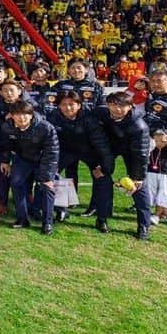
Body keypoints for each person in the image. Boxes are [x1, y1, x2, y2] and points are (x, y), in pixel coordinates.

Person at [48, 92, 114, 231]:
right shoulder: (53, 117)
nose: (68, 108)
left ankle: (102, 218)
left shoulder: (89, 119)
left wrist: (105, 167)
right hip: (65, 151)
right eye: (64, 105)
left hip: (89, 151)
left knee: (104, 179)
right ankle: (60, 209)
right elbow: (48, 140)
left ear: (79, 105)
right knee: (49, 174)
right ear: (58, 106)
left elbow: (101, 144)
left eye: (72, 104)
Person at [97, 91, 153, 240]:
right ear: (107, 105)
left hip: (132, 152)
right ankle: (102, 218)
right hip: (109, 148)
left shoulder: (139, 126)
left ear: (130, 106)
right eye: (113, 105)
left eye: (122, 105)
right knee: (103, 178)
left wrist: (138, 177)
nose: (117, 109)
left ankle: (144, 225)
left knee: (140, 187)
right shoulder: (101, 113)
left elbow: (140, 154)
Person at [0, 100, 59, 235]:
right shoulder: (7, 127)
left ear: (31, 115)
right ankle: (22, 218)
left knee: (47, 187)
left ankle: (47, 222)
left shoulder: (45, 127)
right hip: (23, 159)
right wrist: (5, 161)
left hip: (43, 159)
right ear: (11, 115)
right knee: (16, 183)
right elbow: (5, 146)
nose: (22, 117)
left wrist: (47, 176)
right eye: (18, 114)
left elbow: (52, 152)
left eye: (25, 114)